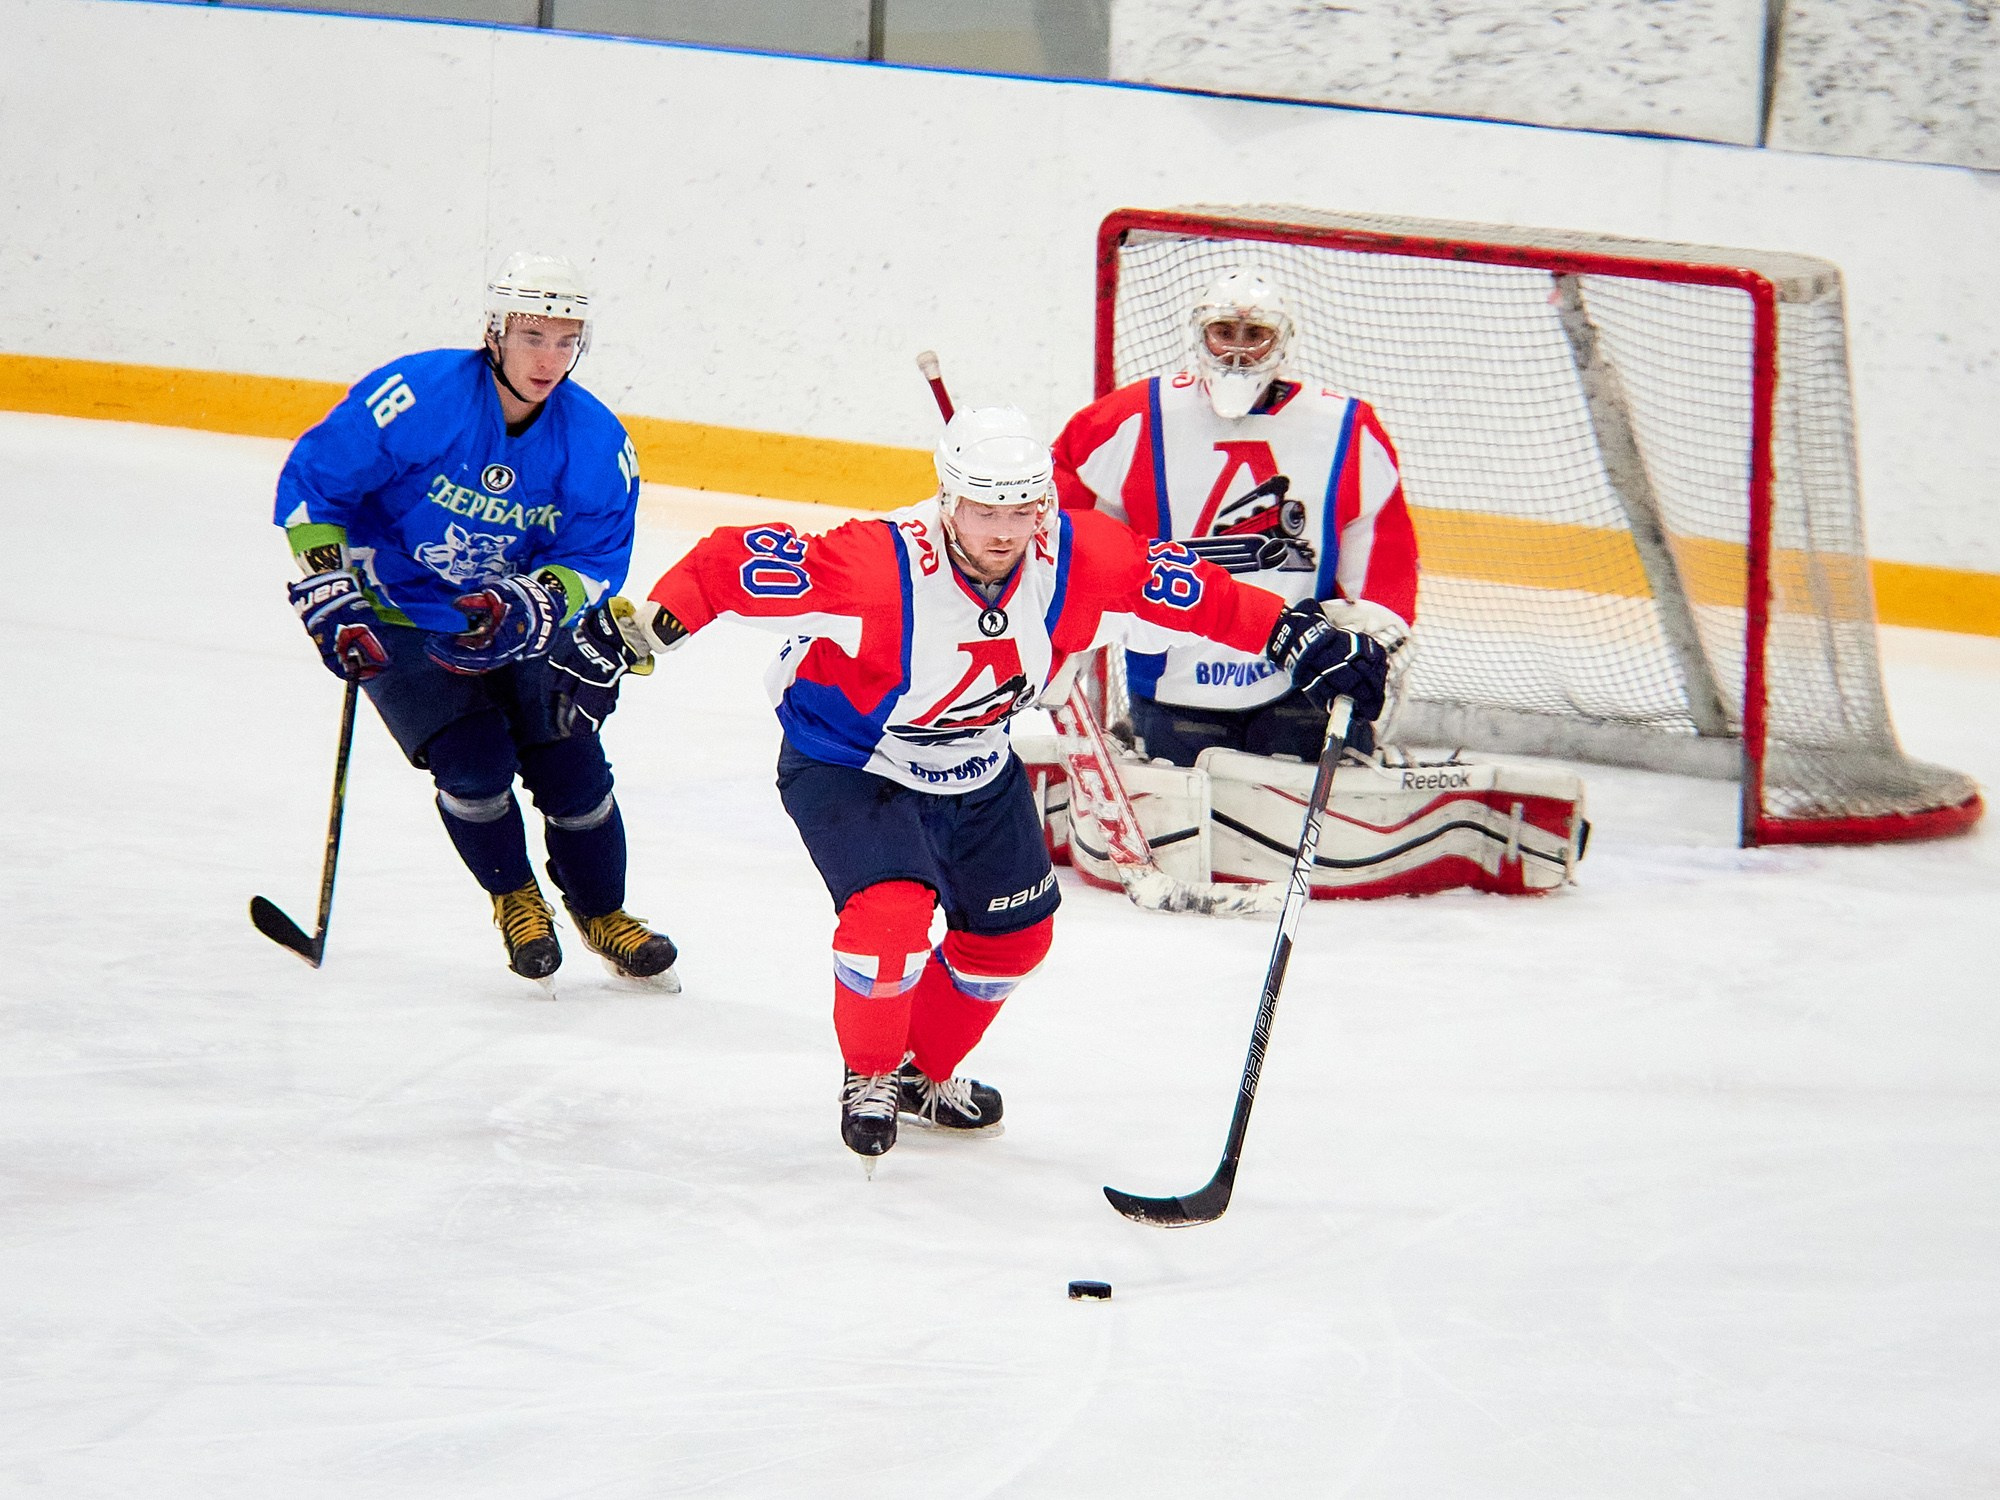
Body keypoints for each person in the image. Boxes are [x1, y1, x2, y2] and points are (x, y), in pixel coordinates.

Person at [578, 407, 1388, 1161]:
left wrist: (1293, 636)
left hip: (975, 761)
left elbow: (1190, 591)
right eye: (982, 510)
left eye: (1020, 511)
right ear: (947, 499)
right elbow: (727, 564)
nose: (1004, 533)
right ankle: (869, 1072)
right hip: (853, 760)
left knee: (1012, 940)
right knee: (888, 915)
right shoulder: (877, 565)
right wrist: (648, 629)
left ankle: (920, 1077)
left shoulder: (1077, 557)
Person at [272, 252, 677, 991]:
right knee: (474, 766)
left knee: (571, 760)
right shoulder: (416, 395)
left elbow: (594, 554)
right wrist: (330, 583)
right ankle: (517, 899)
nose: (549, 358)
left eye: (565, 340)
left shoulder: (595, 441)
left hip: (511, 617)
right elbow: (316, 484)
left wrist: (540, 601)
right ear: (494, 331)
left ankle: (602, 913)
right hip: (396, 610)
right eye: (532, 336)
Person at [1052, 267, 1420, 762]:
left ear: (1283, 342)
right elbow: (1071, 539)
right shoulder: (1128, 420)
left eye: (1256, 335)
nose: (1239, 351)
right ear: (1200, 335)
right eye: (1224, 333)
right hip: (1173, 686)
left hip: (1304, 683)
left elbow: (1381, 552)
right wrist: (1057, 640)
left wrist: (1371, 642)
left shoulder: (1346, 428)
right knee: (1178, 832)